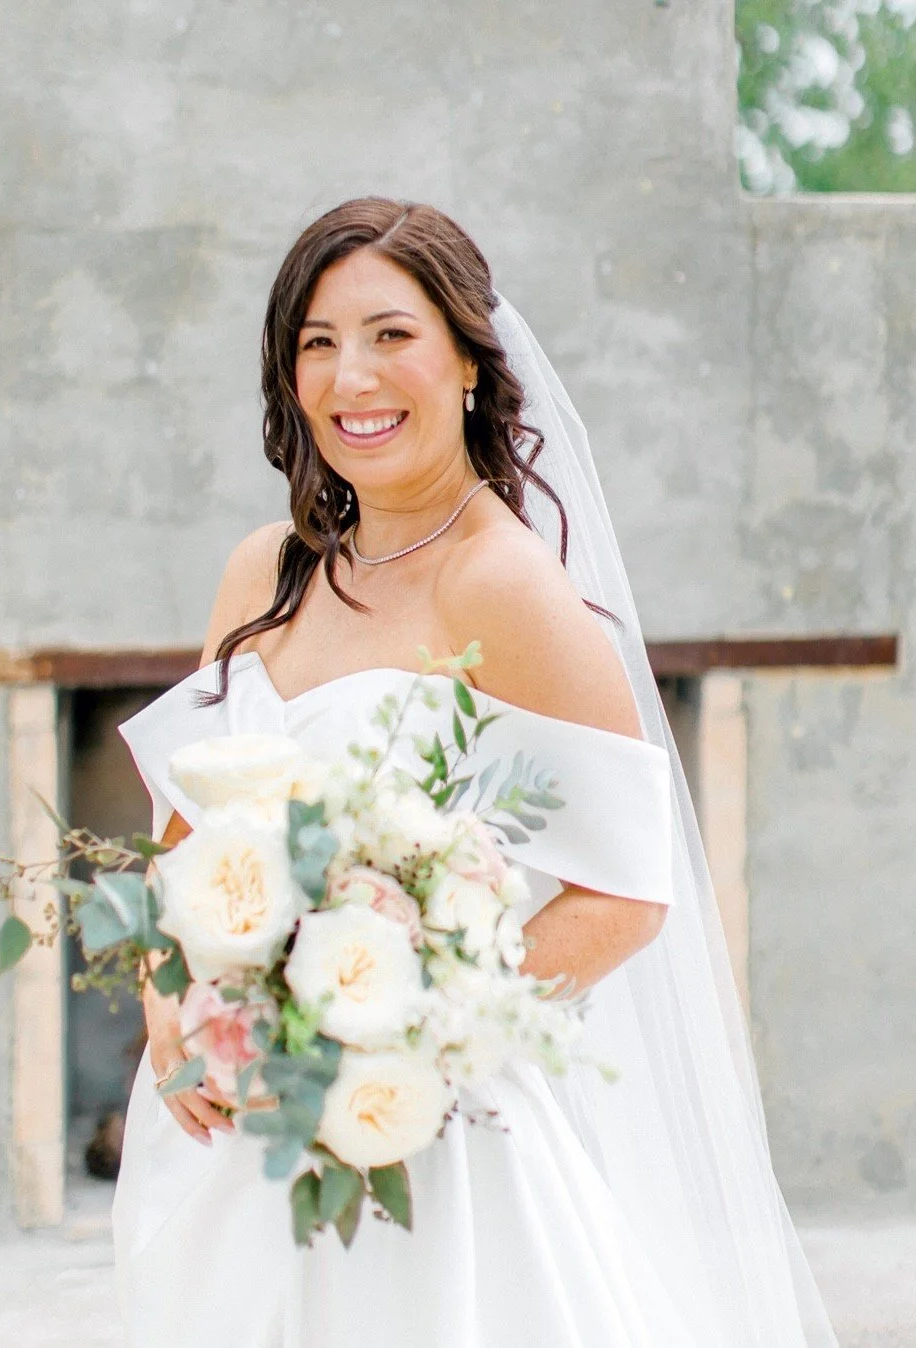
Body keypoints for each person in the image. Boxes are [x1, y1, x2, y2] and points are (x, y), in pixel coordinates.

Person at [113, 197, 838, 1345]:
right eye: (316, 341)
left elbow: (629, 892)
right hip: (230, 1131)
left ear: (466, 360)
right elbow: (186, 829)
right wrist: (169, 998)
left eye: (391, 334)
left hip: (423, 1139)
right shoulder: (265, 573)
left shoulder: (502, 585)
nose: (352, 374)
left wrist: (399, 1029)